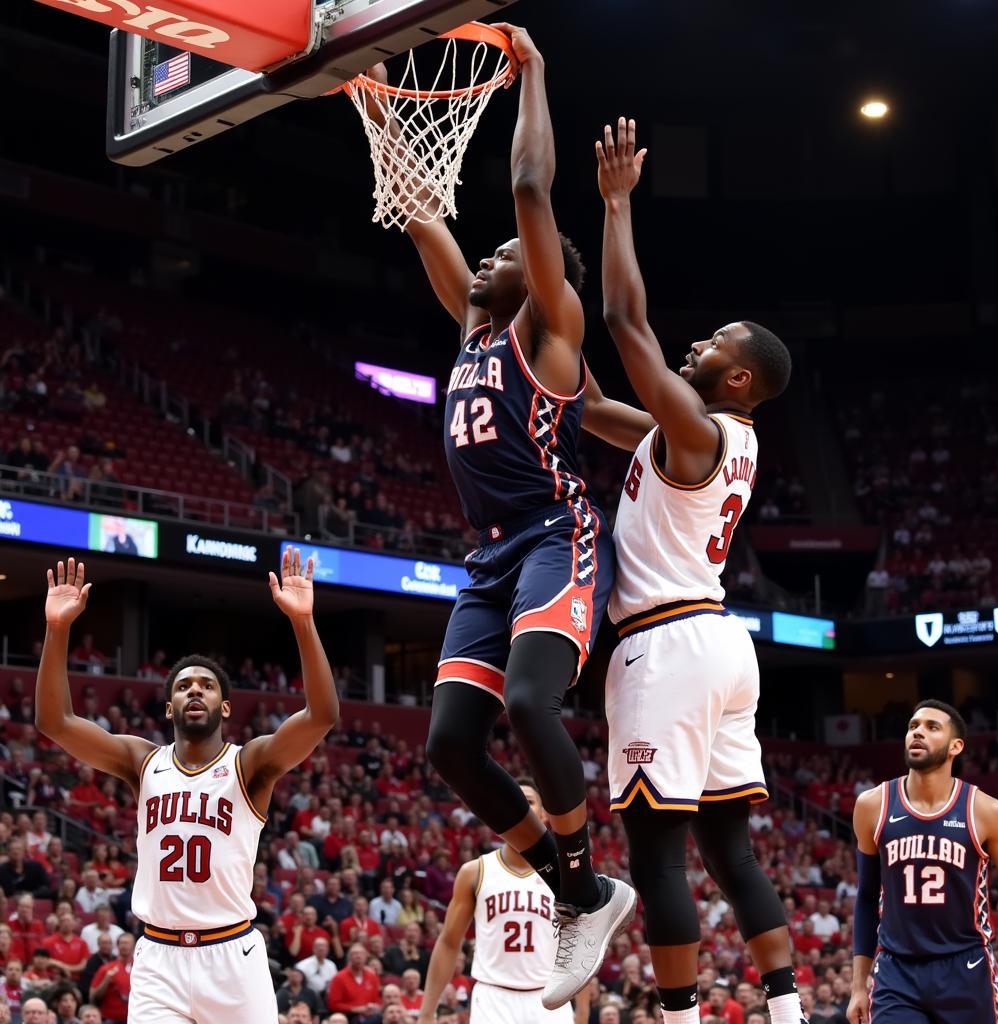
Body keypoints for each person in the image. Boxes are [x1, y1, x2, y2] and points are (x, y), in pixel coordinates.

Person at [353, 24, 633, 1010]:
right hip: (488, 558)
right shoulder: (473, 325)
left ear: (545, 273)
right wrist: (373, 102)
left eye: (504, 254)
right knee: (449, 745)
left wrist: (535, 75)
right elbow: (422, 205)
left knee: (525, 703)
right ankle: (583, 892)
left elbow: (524, 192)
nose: (485, 259)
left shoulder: (550, 330)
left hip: (559, 537)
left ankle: (583, 879)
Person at [586, 118, 800, 1024]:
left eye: (714, 344)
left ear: (740, 380)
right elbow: (591, 404)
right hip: (718, 642)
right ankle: (787, 1012)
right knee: (731, 854)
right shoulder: (701, 436)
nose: (696, 346)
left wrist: (618, 203)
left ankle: (677, 1019)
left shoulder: (699, 428)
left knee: (656, 857)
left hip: (667, 645)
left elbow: (626, 321)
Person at [35, 549, 339, 1024]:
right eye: (182, 687)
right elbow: (55, 721)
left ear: (224, 708)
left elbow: (321, 716)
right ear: (169, 710)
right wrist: (57, 630)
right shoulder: (142, 762)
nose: (193, 689)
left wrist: (303, 622)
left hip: (232, 957)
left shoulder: (250, 764)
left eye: (206, 685)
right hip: (159, 959)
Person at [848, 700, 998, 1023]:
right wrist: (858, 985)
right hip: (896, 971)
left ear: (956, 746)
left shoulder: (985, 811)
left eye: (932, 727)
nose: (918, 733)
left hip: (966, 968)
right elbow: (866, 896)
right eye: (913, 726)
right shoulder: (873, 805)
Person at [419, 780, 569, 1024]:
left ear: (544, 816)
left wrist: (582, 1011)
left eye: (528, 801)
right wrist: (426, 1013)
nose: (520, 806)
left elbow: (585, 946)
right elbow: (448, 942)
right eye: (512, 801)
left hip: (550, 999)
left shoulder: (566, 874)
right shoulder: (475, 871)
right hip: (493, 997)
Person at [88, 933, 134, 1024]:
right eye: (122, 943)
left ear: (133, 945)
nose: (124, 946)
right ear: (117, 946)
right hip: (110, 1018)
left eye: (127, 943)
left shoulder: (140, 968)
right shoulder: (107, 968)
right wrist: (106, 981)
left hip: (133, 1018)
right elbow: (92, 996)